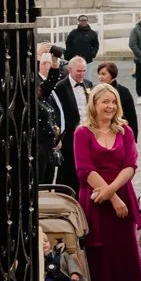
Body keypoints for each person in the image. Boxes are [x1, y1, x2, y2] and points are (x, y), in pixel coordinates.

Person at [72, 85, 141, 281]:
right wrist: (111, 197)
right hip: (95, 204)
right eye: (105, 101)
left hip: (121, 202)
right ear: (94, 104)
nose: (110, 106)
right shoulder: (82, 133)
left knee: (125, 258)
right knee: (101, 259)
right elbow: (84, 169)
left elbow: (130, 165)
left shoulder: (124, 130)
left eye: (113, 102)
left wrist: (112, 191)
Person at [51, 54, 93, 190]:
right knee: (69, 168)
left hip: (88, 132)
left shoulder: (88, 84)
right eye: (79, 71)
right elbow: (57, 112)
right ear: (70, 70)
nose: (82, 74)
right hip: (70, 135)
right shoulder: (60, 87)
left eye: (84, 71)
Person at [93, 60, 139, 137]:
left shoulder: (123, 91)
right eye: (99, 74)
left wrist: (133, 137)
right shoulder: (96, 91)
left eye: (103, 74)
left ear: (112, 75)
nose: (100, 77)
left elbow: (131, 116)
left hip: (119, 131)